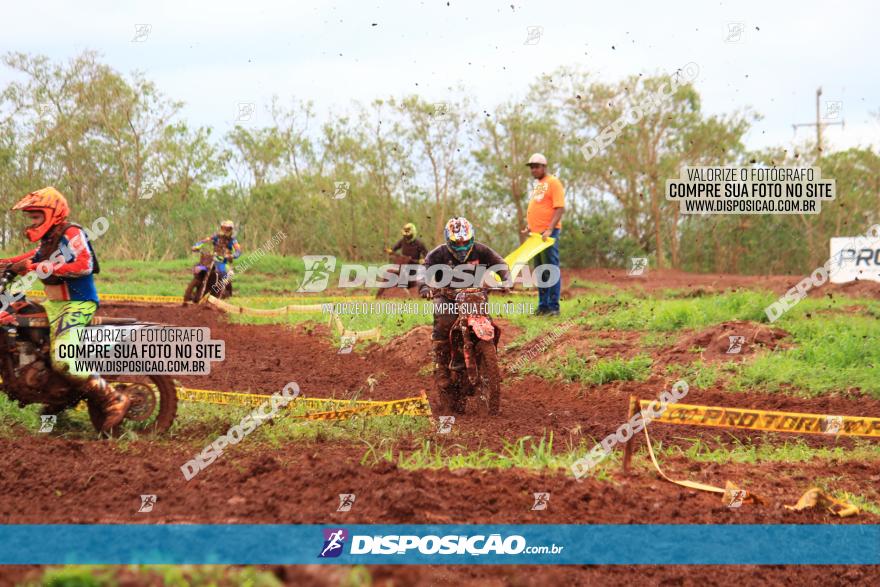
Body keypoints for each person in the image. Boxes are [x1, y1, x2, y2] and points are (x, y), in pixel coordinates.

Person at [0, 187, 129, 432]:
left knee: (63, 360)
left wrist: (41, 267)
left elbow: (84, 264)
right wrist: (7, 264)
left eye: (36, 217)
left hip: (76, 305)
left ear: (52, 213)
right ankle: (51, 394)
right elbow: (29, 258)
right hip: (55, 305)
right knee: (24, 322)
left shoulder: (72, 233)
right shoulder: (49, 240)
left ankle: (113, 398)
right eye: (31, 218)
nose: (33, 222)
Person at [417, 217, 509, 401]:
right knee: (444, 322)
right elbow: (423, 270)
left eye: (465, 242)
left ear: (471, 238)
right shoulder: (439, 253)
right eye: (456, 243)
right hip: (447, 296)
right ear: (448, 240)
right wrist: (424, 287)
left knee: (488, 323)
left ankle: (488, 363)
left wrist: (506, 279)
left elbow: (501, 263)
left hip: (475, 295)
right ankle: (441, 367)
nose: (461, 246)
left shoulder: (481, 250)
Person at [524, 153, 564, 316]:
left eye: (536, 166)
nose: (533, 170)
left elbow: (559, 208)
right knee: (540, 269)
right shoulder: (538, 185)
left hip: (548, 234)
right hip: (536, 235)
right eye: (531, 167)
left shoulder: (553, 182)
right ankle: (543, 306)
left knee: (550, 268)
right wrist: (529, 226)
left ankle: (553, 307)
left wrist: (549, 228)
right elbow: (539, 207)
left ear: (544, 167)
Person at [188, 220, 242, 299]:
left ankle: (226, 292)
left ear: (231, 230)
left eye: (227, 229)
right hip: (213, 259)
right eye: (224, 228)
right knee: (198, 267)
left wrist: (232, 255)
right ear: (221, 228)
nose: (225, 230)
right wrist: (196, 246)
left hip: (223, 261)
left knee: (225, 273)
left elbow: (238, 250)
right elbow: (205, 240)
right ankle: (196, 287)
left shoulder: (233, 240)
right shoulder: (216, 236)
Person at [377, 223, 428, 297]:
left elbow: (427, 255)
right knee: (389, 273)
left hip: (414, 267)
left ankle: (409, 291)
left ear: (413, 234)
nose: (407, 238)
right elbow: (394, 248)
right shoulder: (402, 241)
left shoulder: (419, 244)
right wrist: (390, 251)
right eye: (405, 236)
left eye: (408, 236)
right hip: (403, 265)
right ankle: (383, 294)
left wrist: (423, 260)